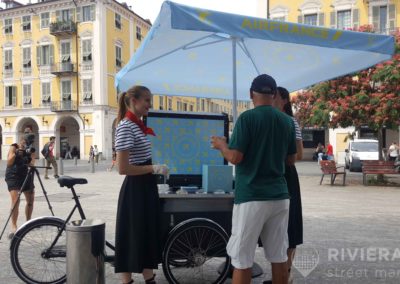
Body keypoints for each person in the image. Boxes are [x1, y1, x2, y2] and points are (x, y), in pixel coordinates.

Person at [211, 74, 296, 284]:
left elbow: (235, 157)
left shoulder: (247, 119)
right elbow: (291, 159)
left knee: (242, 258)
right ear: (274, 94)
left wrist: (222, 145)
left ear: (251, 94)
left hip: (251, 196)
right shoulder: (287, 121)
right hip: (279, 196)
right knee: (279, 256)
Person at [114, 85, 169, 284]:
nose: (150, 104)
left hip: (144, 187)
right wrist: (152, 168)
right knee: (132, 234)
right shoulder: (126, 126)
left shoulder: (136, 125)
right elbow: (123, 168)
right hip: (136, 188)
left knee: (145, 231)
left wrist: (152, 170)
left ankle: (149, 278)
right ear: (134, 101)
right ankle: (127, 281)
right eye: (146, 100)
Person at [261, 86, 303, 284]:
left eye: (274, 96)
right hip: (271, 175)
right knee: (274, 228)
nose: (271, 98)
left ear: (284, 100)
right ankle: (280, 274)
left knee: (289, 226)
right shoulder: (267, 120)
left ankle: (286, 273)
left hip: (286, 176)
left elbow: (298, 155)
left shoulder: (291, 122)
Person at [5, 138, 35, 239]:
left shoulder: (29, 149)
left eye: (25, 142)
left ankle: (28, 222)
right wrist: (17, 153)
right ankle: (14, 226)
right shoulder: (13, 147)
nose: (24, 144)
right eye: (22, 142)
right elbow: (9, 163)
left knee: (30, 199)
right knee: (15, 200)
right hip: (13, 175)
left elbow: (32, 163)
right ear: (19, 141)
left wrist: (30, 155)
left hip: (25, 174)